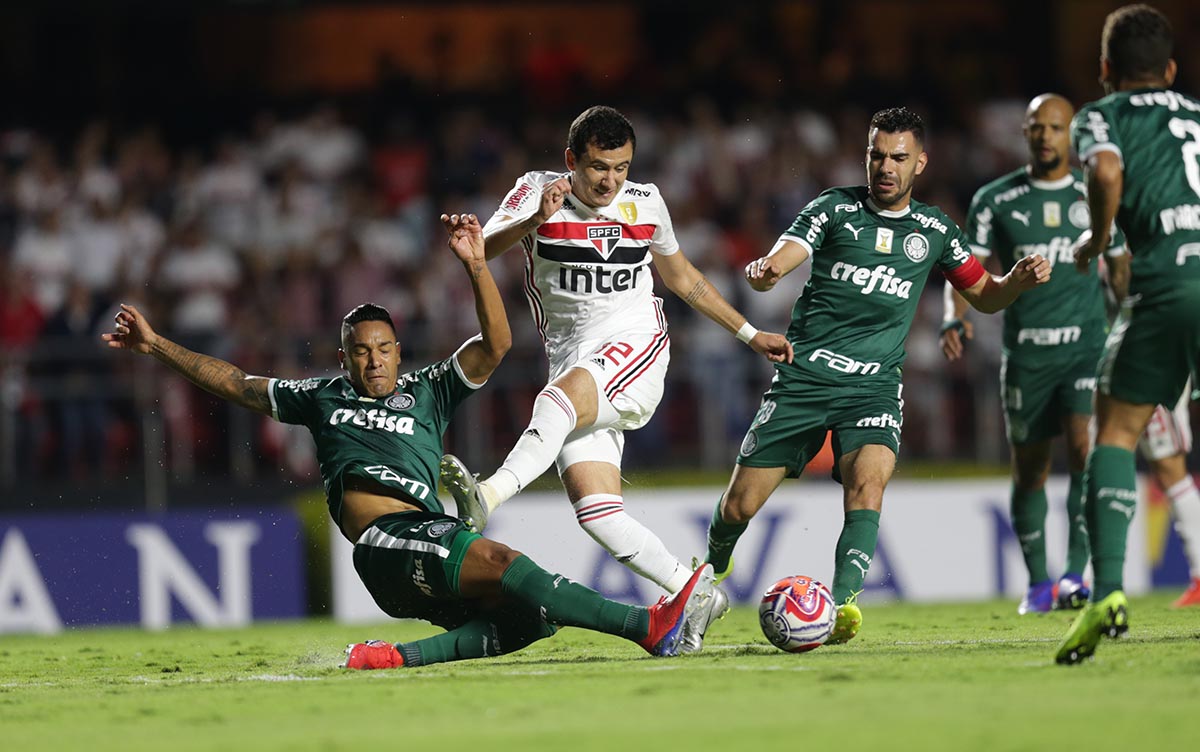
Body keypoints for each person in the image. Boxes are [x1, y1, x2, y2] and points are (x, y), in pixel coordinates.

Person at [101, 212, 717, 669]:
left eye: (383, 349)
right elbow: (235, 382)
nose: (374, 362)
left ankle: (394, 658)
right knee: (508, 564)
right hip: (385, 539)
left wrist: (479, 266)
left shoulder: (429, 388)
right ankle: (648, 626)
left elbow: (497, 346)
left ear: (398, 351)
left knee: (533, 618)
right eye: (360, 352)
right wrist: (156, 345)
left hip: (426, 540)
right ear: (345, 358)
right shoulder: (321, 396)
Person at [439, 105, 793, 646]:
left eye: (621, 167)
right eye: (599, 167)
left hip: (637, 344)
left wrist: (750, 333)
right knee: (598, 513)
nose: (610, 180)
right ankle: (695, 590)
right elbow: (478, 252)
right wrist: (536, 220)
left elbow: (684, 279)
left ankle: (487, 496)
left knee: (557, 400)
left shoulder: (646, 202)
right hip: (574, 358)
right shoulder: (535, 190)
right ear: (570, 161)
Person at [700, 106, 1051, 646]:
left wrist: (1016, 282)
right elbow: (787, 253)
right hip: (804, 379)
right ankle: (712, 570)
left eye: (898, 157)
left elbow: (984, 294)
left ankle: (841, 606)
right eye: (877, 155)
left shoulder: (934, 229)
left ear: (921, 163)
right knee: (737, 507)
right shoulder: (835, 209)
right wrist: (769, 270)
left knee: (869, 483)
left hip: (873, 388)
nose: (886, 166)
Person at [939, 94, 1128, 615]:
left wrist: (1134, 317)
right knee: (1032, 471)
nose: (1046, 135)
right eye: (1037, 127)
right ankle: (1038, 583)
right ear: (1023, 133)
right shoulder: (995, 200)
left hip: (1087, 349)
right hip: (1026, 355)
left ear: (1071, 135)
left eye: (1056, 127)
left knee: (1086, 454)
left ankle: (1073, 576)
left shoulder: (1097, 195)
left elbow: (1119, 264)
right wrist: (953, 316)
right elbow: (964, 269)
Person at [1057, 4, 1200, 664]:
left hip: (1168, 282)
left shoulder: (1101, 115)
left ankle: (1107, 594)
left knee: (1115, 430)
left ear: (1107, 70)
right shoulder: (1197, 115)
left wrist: (1097, 236)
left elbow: (1107, 172)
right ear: (1171, 69)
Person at [1139, 391, 1200, 608]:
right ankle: (1088, 581)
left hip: (1157, 369)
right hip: (1110, 367)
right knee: (1103, 455)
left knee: (1170, 469)